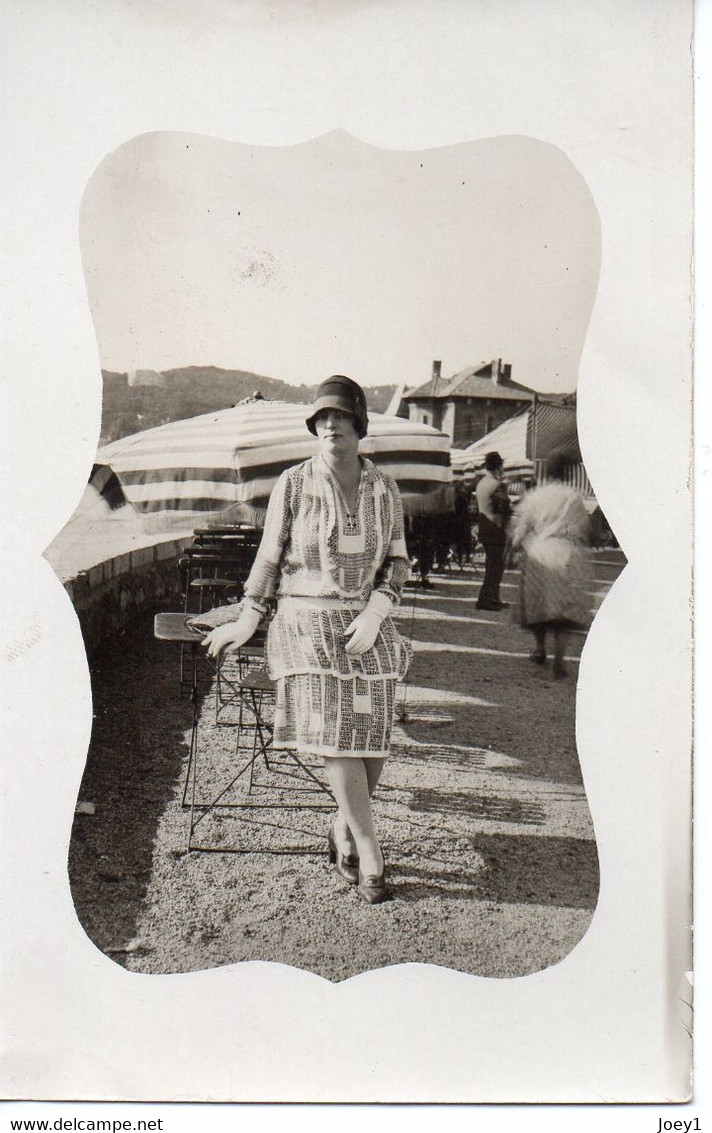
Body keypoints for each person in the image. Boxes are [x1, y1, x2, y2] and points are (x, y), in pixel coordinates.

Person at [202, 375, 412, 904]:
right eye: (322, 419)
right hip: (304, 621)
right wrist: (248, 619)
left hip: (366, 622)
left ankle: (340, 826)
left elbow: (399, 559)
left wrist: (380, 608)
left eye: (341, 417)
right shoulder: (294, 483)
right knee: (334, 729)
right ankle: (369, 848)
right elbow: (269, 557)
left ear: (359, 424)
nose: (331, 425)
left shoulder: (384, 487)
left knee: (373, 732)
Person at [511, 450, 591, 678]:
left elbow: (523, 526)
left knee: (538, 604)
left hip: (540, 552)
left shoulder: (537, 496)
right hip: (567, 553)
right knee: (563, 607)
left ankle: (540, 648)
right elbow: (583, 528)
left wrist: (515, 546)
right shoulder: (573, 497)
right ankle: (560, 657)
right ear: (567, 473)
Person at [475, 451, 511, 610]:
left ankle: (494, 597)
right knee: (496, 566)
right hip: (496, 528)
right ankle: (485, 599)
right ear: (498, 467)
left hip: (484, 526)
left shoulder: (482, 483)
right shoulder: (498, 485)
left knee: (492, 564)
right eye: (502, 465)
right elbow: (503, 507)